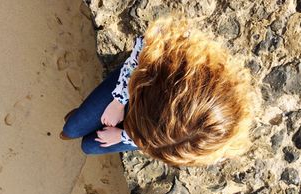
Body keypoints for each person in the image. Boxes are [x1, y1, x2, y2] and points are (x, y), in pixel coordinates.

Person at [60, 13, 256, 168]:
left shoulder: (200, 142)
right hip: (133, 87)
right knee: (72, 127)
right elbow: (141, 51)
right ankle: (73, 127)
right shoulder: (169, 57)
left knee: (89, 147)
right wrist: (119, 101)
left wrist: (124, 136)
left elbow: (152, 145)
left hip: (142, 128)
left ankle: (84, 127)